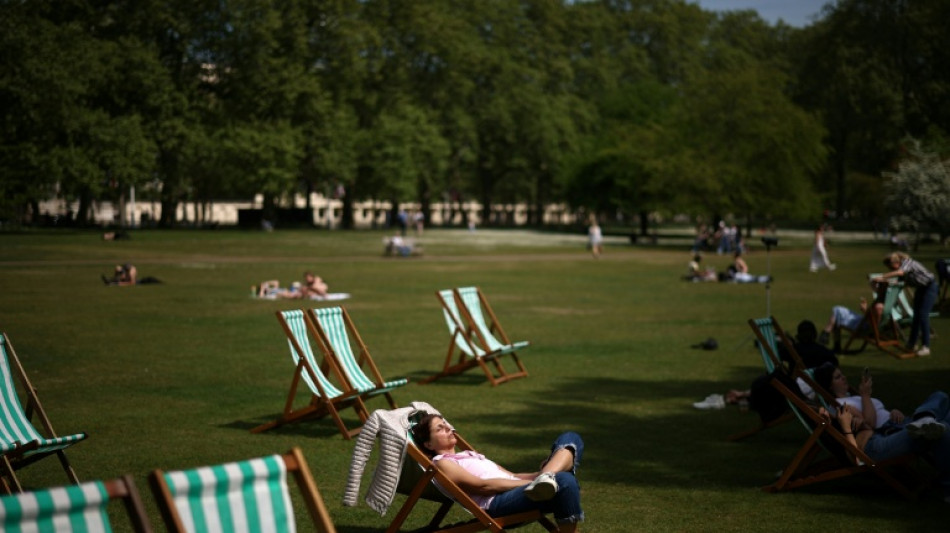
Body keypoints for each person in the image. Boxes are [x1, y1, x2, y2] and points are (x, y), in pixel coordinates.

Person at [411, 413, 584, 531]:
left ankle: (548, 474)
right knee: (564, 480)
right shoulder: (442, 464)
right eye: (439, 429)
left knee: (571, 437)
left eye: (446, 424)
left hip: (519, 491)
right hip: (497, 504)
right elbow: (483, 486)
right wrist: (533, 483)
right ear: (428, 445)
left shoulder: (468, 456)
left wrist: (538, 475)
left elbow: (513, 476)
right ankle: (549, 477)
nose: (448, 428)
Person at [814, 364, 950, 502]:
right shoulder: (838, 406)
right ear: (829, 386)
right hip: (880, 437)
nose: (844, 378)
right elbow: (870, 423)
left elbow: (876, 415)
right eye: (838, 377)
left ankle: (925, 418)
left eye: (842, 374)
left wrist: (893, 412)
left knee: (940, 397)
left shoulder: (852, 398)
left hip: (896, 425)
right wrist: (865, 395)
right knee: (943, 427)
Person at [874, 252, 938, 357]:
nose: (890, 270)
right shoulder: (902, 268)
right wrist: (883, 281)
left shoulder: (908, 263)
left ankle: (926, 347)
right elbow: (898, 281)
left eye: (890, 267)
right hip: (921, 289)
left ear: (896, 263)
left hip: (929, 288)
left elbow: (900, 273)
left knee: (922, 315)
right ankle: (912, 344)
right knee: (916, 316)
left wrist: (882, 276)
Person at [819, 280, 888, 352]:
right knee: (838, 311)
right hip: (864, 322)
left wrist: (865, 310)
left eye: (879, 286)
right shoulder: (887, 303)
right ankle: (826, 336)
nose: (877, 287)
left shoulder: (879, 307)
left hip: (863, 327)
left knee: (837, 311)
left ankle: (825, 335)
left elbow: (873, 325)